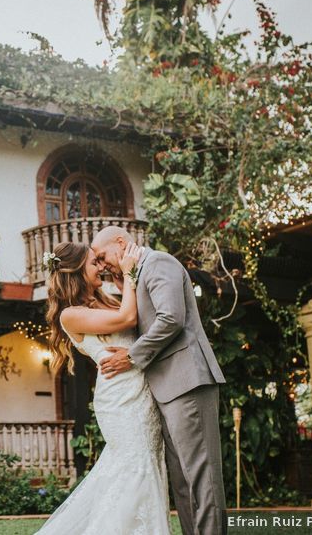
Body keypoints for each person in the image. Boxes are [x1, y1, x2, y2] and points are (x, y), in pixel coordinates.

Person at [93, 226, 227, 535]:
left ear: (121, 243)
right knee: (180, 481)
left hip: (188, 381)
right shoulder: (133, 275)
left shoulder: (158, 263)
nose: (101, 266)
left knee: (202, 477)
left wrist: (131, 356)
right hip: (163, 389)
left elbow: (171, 318)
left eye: (102, 257)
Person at [35, 240, 171, 534]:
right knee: (135, 467)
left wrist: (125, 279)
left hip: (143, 393)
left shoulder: (106, 297)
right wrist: (130, 274)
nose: (100, 267)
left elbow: (139, 321)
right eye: (94, 263)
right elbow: (128, 318)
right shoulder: (70, 314)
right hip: (120, 400)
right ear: (75, 270)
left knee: (146, 464)